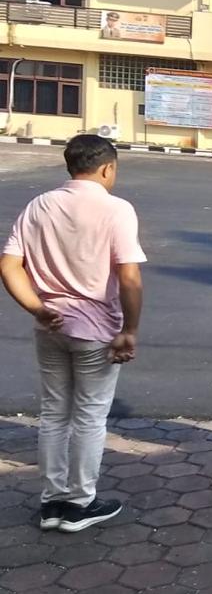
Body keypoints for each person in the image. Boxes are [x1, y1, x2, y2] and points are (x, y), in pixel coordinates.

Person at [1, 135, 146, 533]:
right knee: (89, 416)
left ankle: (52, 502)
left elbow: (9, 265)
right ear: (108, 168)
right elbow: (129, 276)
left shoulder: (39, 206)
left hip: (50, 327)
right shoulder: (116, 209)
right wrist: (130, 329)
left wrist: (36, 307)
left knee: (53, 414)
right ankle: (80, 503)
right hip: (96, 330)